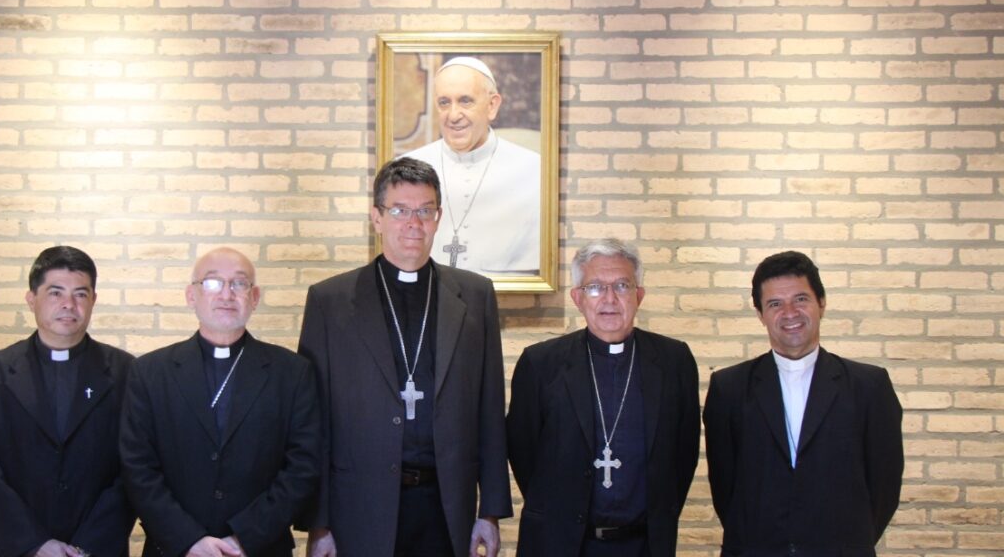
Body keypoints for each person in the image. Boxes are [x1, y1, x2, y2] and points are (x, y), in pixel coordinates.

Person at [298, 157, 512, 557]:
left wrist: (491, 511)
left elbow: (489, 409)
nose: (413, 223)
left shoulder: (475, 295)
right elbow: (314, 421)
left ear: (438, 217)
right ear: (376, 217)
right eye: (399, 210)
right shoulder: (330, 301)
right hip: (359, 508)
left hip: (448, 505)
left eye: (425, 210)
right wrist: (319, 521)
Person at [119, 247, 320, 557]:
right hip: (174, 549)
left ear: (254, 298)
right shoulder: (149, 372)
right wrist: (188, 539)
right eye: (213, 283)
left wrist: (245, 537)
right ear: (191, 295)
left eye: (239, 284)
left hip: (259, 548)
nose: (227, 294)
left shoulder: (292, 372)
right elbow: (137, 467)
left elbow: (303, 466)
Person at [506, 239, 700, 556]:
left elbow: (683, 455)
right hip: (560, 543)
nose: (609, 299)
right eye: (595, 287)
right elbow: (524, 453)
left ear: (639, 295)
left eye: (622, 286)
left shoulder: (673, 361)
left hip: (643, 545)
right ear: (577, 298)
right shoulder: (540, 364)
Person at [703, 251, 903, 556]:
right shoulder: (728, 388)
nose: (790, 313)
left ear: (821, 303)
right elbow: (725, 488)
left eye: (800, 299)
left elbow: (884, 486)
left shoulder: (868, 386)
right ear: (760, 314)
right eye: (775, 304)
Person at [0, 245, 134, 557]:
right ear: (32, 299)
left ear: (94, 300)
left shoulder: (127, 372)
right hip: (12, 548)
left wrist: (86, 546)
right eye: (55, 292)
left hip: (96, 548)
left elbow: (132, 468)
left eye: (81, 294)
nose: (69, 304)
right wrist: (33, 545)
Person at [403, 56, 542, 276]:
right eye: (444, 102)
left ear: (492, 105)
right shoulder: (407, 167)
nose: (453, 115)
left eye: (465, 101)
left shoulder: (535, 170)